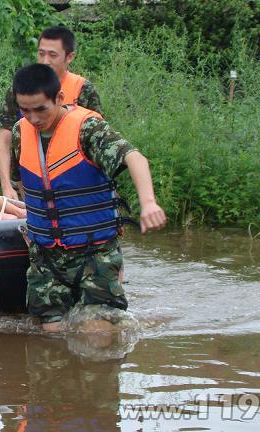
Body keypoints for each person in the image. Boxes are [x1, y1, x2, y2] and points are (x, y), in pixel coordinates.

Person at [11, 64, 166, 333]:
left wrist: (149, 202)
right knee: (51, 337)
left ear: (59, 98)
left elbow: (135, 158)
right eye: (25, 110)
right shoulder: (19, 132)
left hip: (94, 252)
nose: (33, 118)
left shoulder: (89, 129)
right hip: (47, 256)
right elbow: (27, 183)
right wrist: (36, 224)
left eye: (40, 109)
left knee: (99, 333)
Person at [0, 26, 102, 201]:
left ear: (69, 57)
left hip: (71, 184)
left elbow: (96, 142)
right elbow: (4, 138)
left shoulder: (83, 89)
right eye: (41, 53)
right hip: (30, 181)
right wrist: (7, 186)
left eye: (52, 55)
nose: (45, 61)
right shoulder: (22, 88)